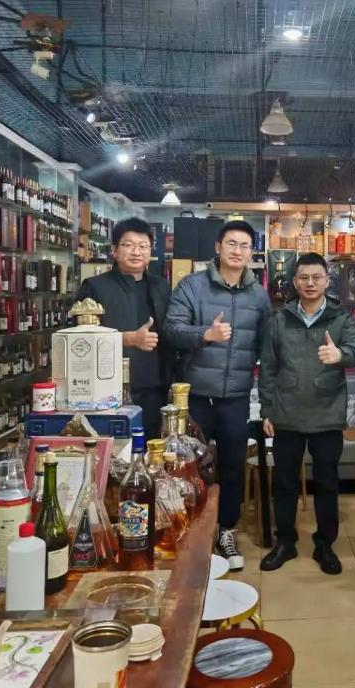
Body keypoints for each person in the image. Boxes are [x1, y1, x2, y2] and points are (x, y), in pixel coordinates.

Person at [164, 220, 271, 570]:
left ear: (252, 252)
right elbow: (171, 330)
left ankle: (226, 530)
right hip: (195, 395)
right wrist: (205, 335)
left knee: (232, 466)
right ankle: (191, 532)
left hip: (236, 395)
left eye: (245, 245)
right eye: (231, 243)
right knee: (188, 467)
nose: (238, 251)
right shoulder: (192, 286)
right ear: (218, 247)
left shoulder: (258, 295)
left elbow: (265, 345)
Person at [258, 253, 355, 575]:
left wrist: (339, 354)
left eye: (316, 277)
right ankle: (285, 541)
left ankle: (325, 544)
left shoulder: (340, 318)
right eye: (303, 277)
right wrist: (267, 410)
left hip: (326, 413)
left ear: (327, 281)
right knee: (285, 482)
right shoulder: (280, 319)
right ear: (294, 282)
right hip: (286, 413)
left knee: (327, 483)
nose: (310, 283)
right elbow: (269, 368)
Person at [76, 217, 170, 437]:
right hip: (107, 391)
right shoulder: (95, 287)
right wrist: (128, 339)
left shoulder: (160, 286)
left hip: (154, 390)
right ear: (114, 250)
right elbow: (79, 341)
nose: (136, 252)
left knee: (150, 450)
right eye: (128, 245)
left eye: (143, 246)